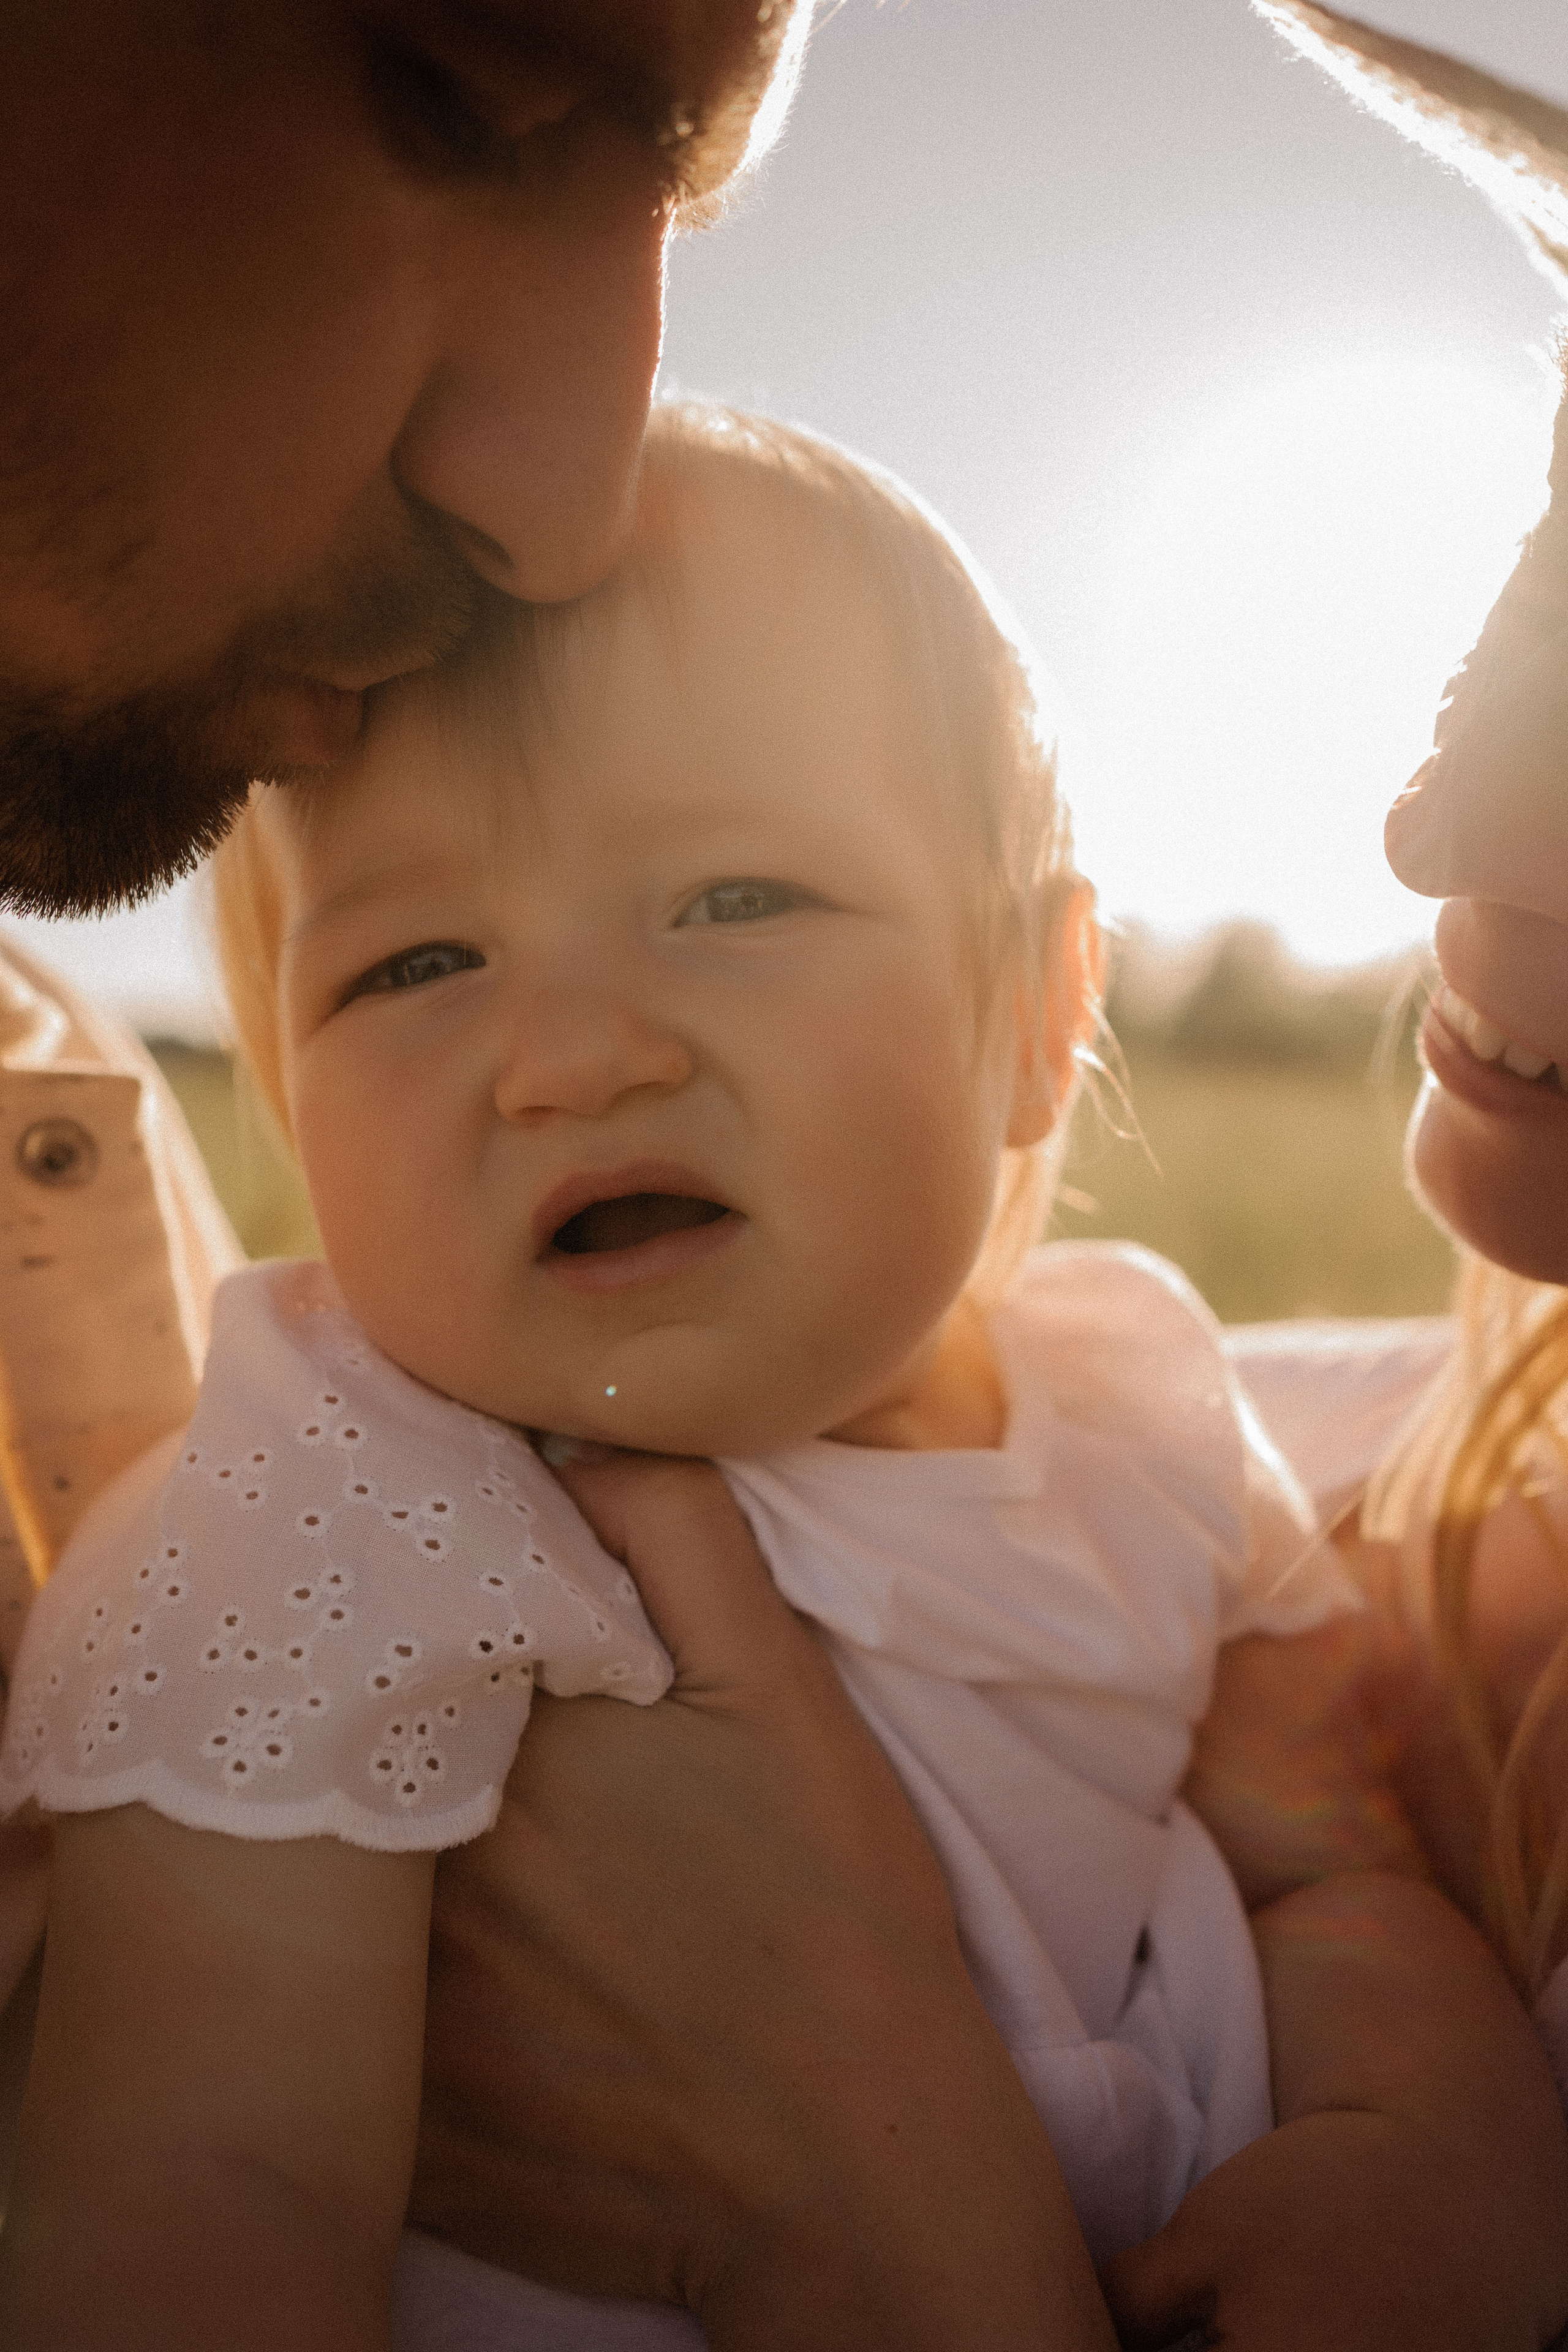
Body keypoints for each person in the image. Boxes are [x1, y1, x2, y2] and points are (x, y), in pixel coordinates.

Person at [2, 405, 1564, 2352]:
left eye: (734, 902)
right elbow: (201, 2198)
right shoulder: (325, 1501)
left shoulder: (1136, 1404)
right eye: (411, 967)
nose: (568, 1055)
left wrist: (1419, 2134)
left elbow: (1331, 1851)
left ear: (1039, 1016)